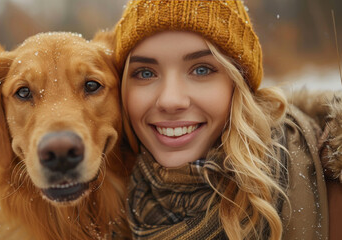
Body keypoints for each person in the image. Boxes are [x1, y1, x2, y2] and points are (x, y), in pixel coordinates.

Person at [112, 1, 342, 239]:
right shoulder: (106, 201)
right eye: (145, 73)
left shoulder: (331, 182)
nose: (170, 100)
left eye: (201, 69)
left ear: (238, 82)